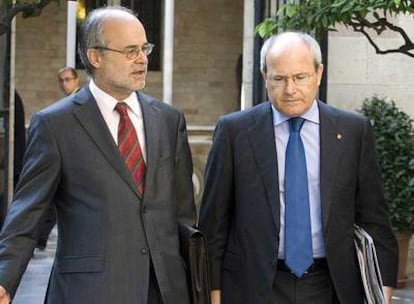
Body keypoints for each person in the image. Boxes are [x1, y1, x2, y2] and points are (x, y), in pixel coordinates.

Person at [0, 6, 195, 304]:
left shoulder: (169, 120)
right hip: (89, 293)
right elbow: (28, 214)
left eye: (145, 48)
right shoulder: (55, 125)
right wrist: (5, 279)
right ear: (95, 56)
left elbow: (184, 217)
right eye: (130, 51)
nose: (142, 59)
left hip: (165, 291)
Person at [198, 31, 398, 304]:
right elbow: (213, 223)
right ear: (264, 77)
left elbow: (375, 220)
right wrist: (213, 294)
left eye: (300, 77)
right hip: (253, 286)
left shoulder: (353, 131)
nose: (290, 89)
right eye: (279, 79)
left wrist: (383, 293)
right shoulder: (235, 132)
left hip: (333, 286)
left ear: (318, 73)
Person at [35, 66, 81, 250]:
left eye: (68, 79)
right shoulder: (67, 104)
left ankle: (39, 240)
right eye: (61, 80)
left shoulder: (80, 103)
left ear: (77, 80)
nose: (64, 84)